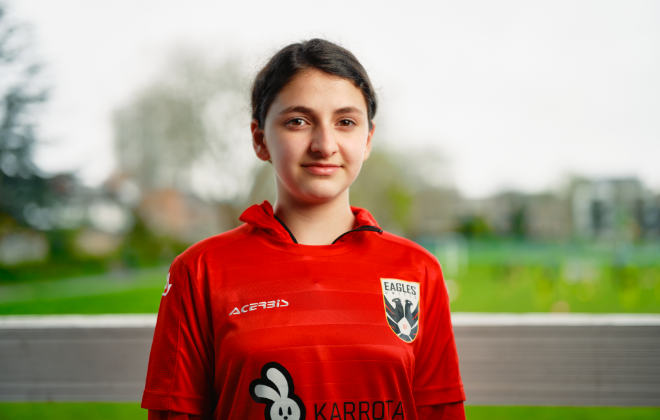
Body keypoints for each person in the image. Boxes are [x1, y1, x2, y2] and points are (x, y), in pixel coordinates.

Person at [142, 38, 465, 420]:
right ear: (260, 139)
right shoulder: (198, 272)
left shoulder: (417, 270)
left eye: (345, 122)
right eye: (298, 121)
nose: (324, 144)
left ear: (368, 140)